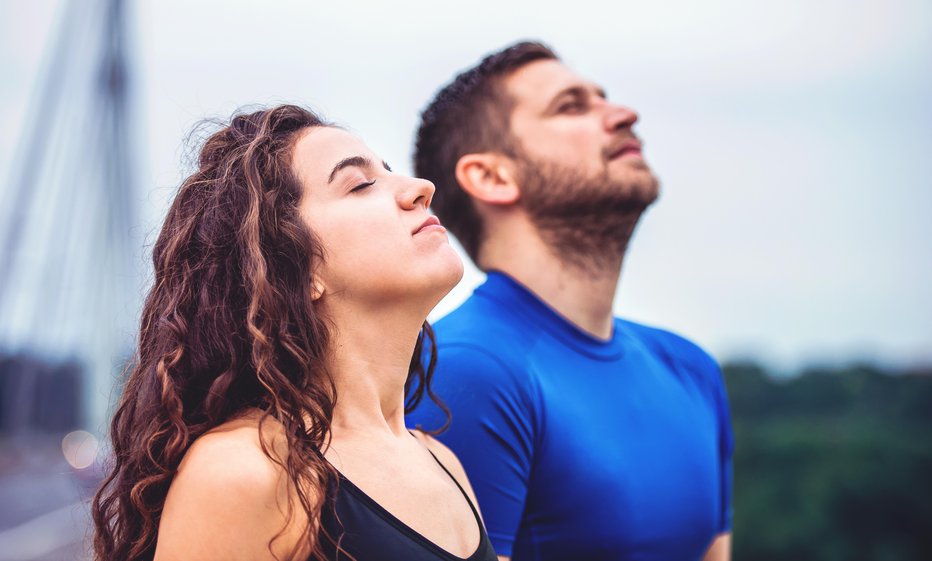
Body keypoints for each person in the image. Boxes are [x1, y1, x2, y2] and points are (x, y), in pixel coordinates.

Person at [92, 105, 499, 561]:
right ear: (293, 268)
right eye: (361, 184)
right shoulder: (247, 470)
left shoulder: (445, 466)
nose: (420, 188)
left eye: (388, 172)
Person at [405, 42, 734, 561]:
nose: (625, 114)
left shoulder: (689, 367)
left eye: (604, 98)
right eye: (572, 106)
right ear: (491, 177)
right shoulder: (464, 376)